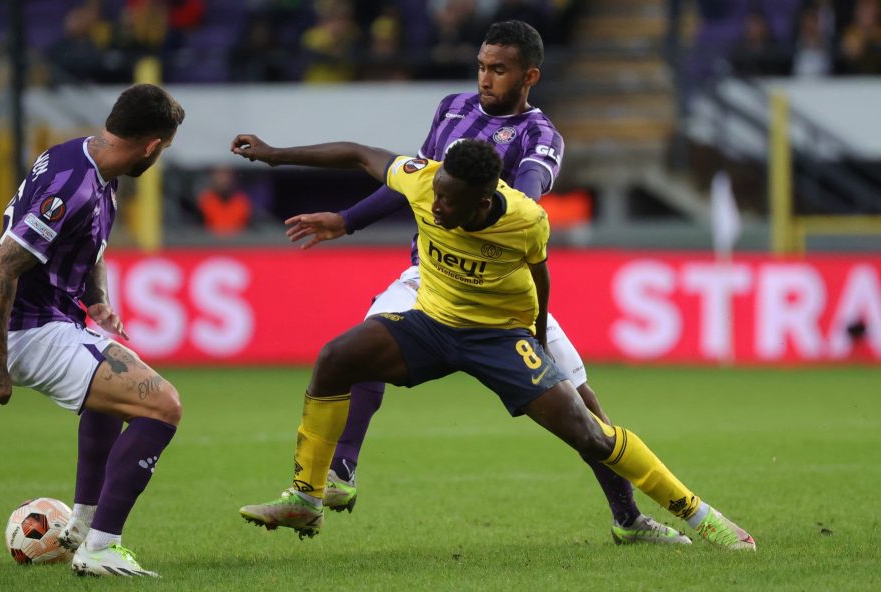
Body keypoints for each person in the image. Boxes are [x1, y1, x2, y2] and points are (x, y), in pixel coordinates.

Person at [230, 135, 756, 552]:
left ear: (483, 202)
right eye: (436, 195)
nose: (435, 208)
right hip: (430, 322)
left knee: (591, 435)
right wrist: (277, 156)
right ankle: (307, 496)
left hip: (500, 336)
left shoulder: (527, 220)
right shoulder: (426, 181)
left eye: (449, 202)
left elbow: (541, 277)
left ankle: (702, 518)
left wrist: (540, 333)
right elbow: (358, 154)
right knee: (335, 359)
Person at [280, 20, 687, 545]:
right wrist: (347, 219)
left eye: (499, 69)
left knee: (584, 409)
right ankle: (341, 474)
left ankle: (627, 519)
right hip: (431, 273)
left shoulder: (539, 136)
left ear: (529, 75)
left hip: (502, 290)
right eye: (481, 67)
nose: (485, 78)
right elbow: (417, 178)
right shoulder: (452, 108)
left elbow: (526, 200)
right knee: (358, 348)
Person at [0, 83, 186, 577]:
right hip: (30, 330)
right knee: (162, 405)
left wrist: (98, 301)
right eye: (165, 150)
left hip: (58, 320)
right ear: (153, 145)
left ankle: (82, 530)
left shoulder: (92, 167)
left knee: (115, 400)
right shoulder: (71, 183)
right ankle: (101, 547)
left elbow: (89, 249)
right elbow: (1, 268)